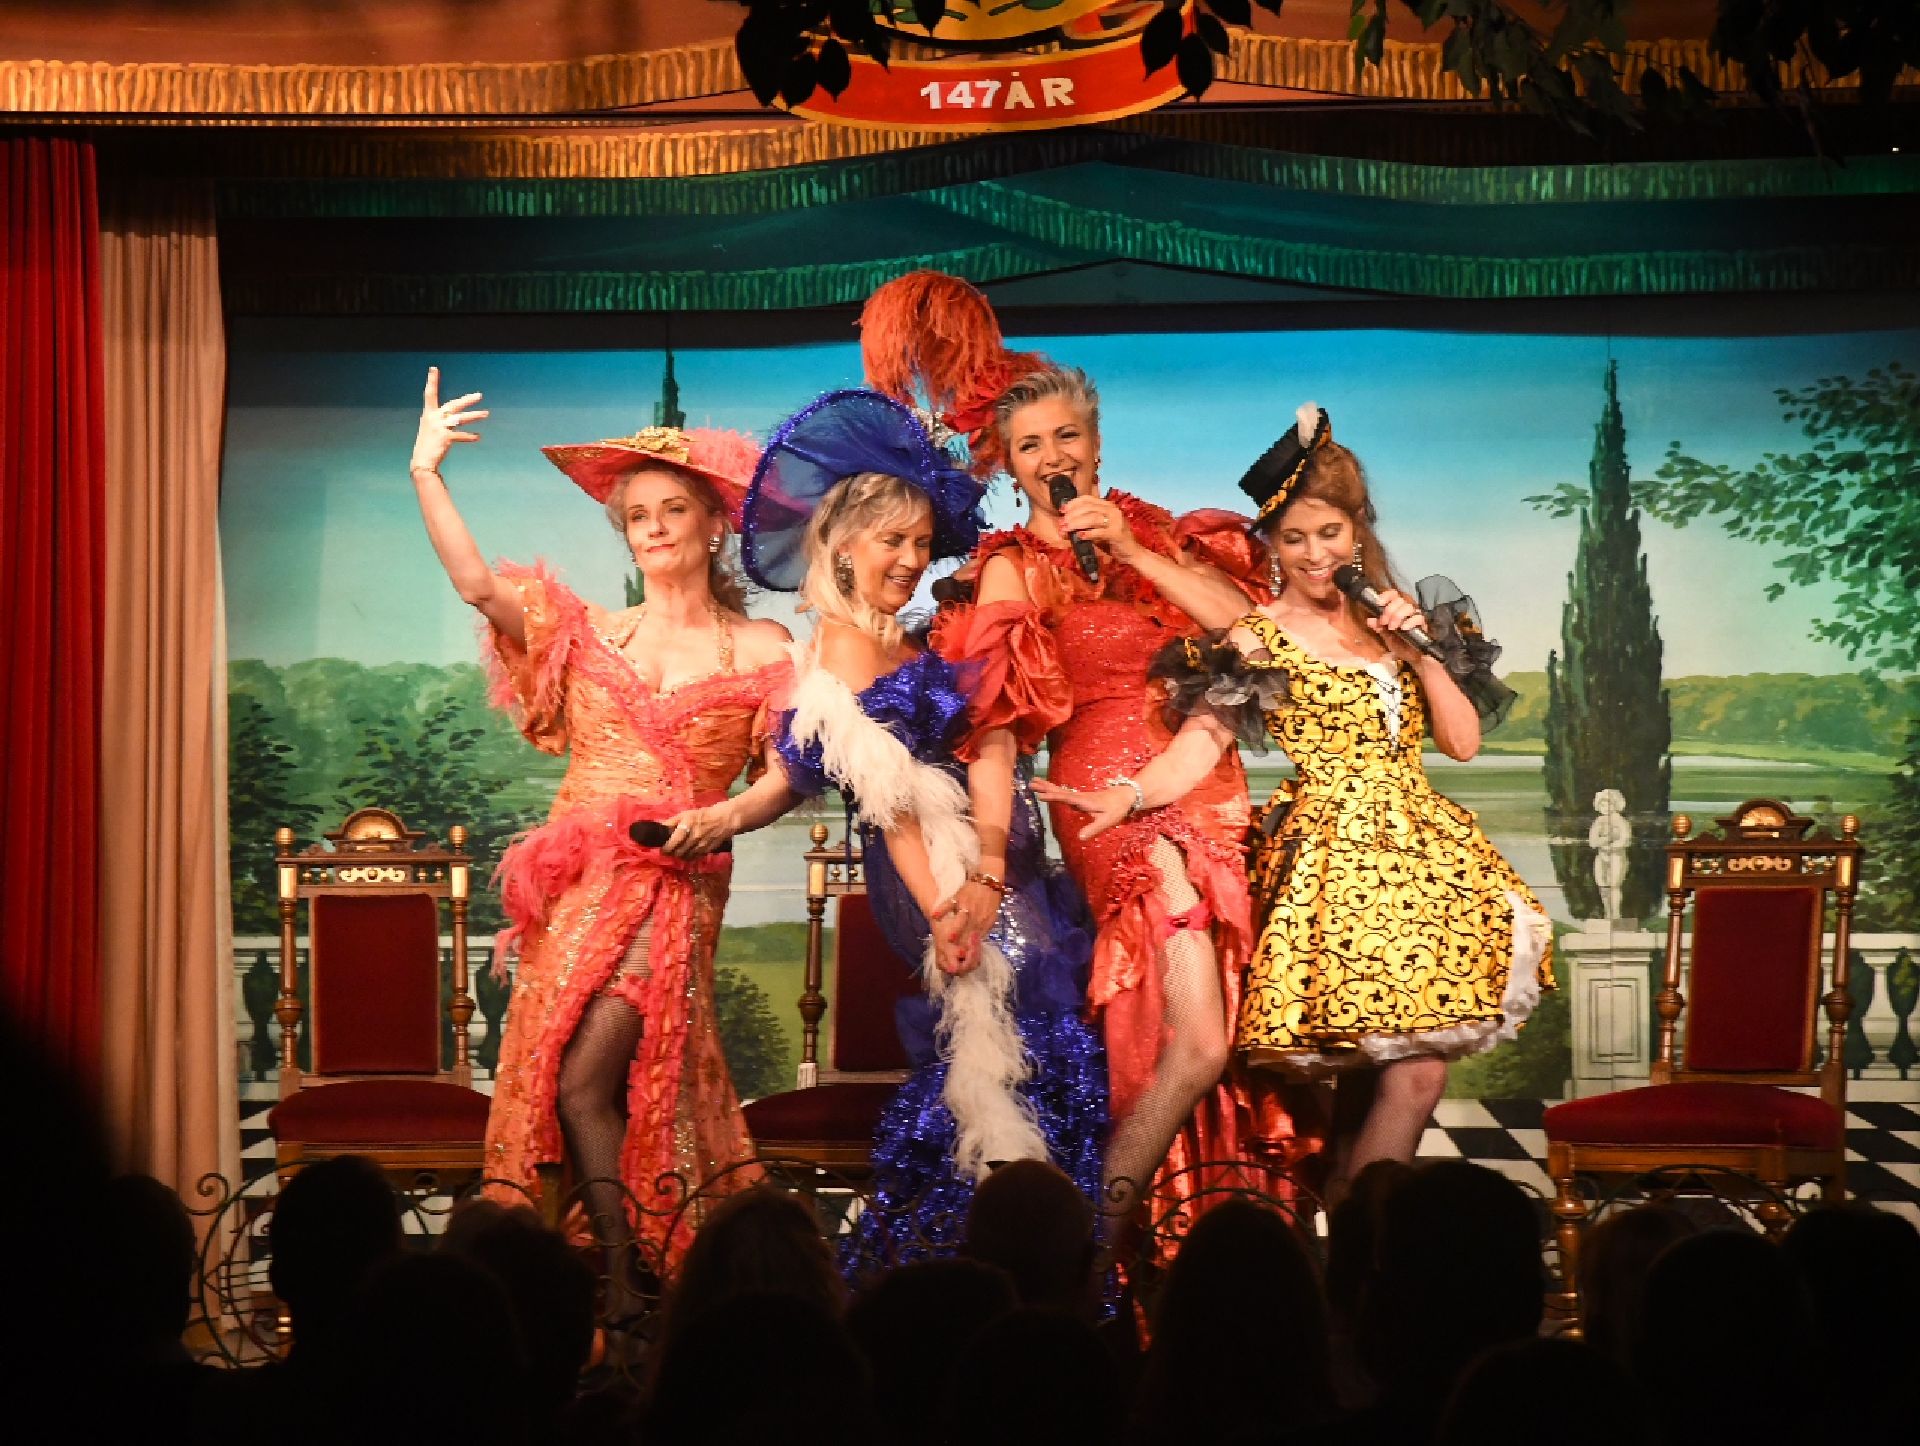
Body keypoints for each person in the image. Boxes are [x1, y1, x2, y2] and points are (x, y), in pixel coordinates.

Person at [859, 271, 1310, 1238]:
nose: (1052, 457)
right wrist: (987, 865)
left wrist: (1138, 555)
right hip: (1110, 801)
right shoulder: (1011, 569)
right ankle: (1091, 1247)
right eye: (1030, 446)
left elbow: (1257, 637)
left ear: (1096, 446)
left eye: (1067, 437)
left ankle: (1194, 1245)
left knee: (1224, 1033)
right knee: (1197, 1041)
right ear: (1009, 465)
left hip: (1208, 787)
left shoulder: (1158, 535)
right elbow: (995, 735)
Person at [1038, 404, 1551, 1205]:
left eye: (1330, 534)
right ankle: (1365, 1260)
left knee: (1385, 1091)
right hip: (1333, 869)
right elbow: (1199, 745)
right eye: (1294, 539)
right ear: (1272, 547)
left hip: (1419, 864)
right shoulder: (1259, 634)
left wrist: (1423, 652)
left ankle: (1351, 1257)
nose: (1315, 554)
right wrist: (1127, 794)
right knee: (1410, 1077)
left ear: (1357, 530)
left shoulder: (1394, 625)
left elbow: (1461, 742)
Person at [407, 368, 796, 1296]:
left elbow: (788, 777)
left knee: (590, 1078)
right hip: (576, 887)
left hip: (673, 885)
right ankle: (606, 1277)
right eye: (637, 517)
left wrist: (722, 818)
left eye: (673, 510)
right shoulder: (586, 634)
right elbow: (476, 585)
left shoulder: (767, 649)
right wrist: (426, 472)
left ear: (715, 524)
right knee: (559, 1075)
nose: (653, 529)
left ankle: (630, 1278)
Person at [742, 388, 1106, 1278]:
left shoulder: (901, 634)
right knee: (1004, 1040)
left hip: (996, 860)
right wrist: (951, 901)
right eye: (891, 542)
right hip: (941, 871)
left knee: (1030, 1041)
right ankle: (989, 1257)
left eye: (919, 542)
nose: (911, 559)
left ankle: (1003, 1253)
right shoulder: (842, 644)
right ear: (842, 545)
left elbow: (985, 733)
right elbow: (892, 797)